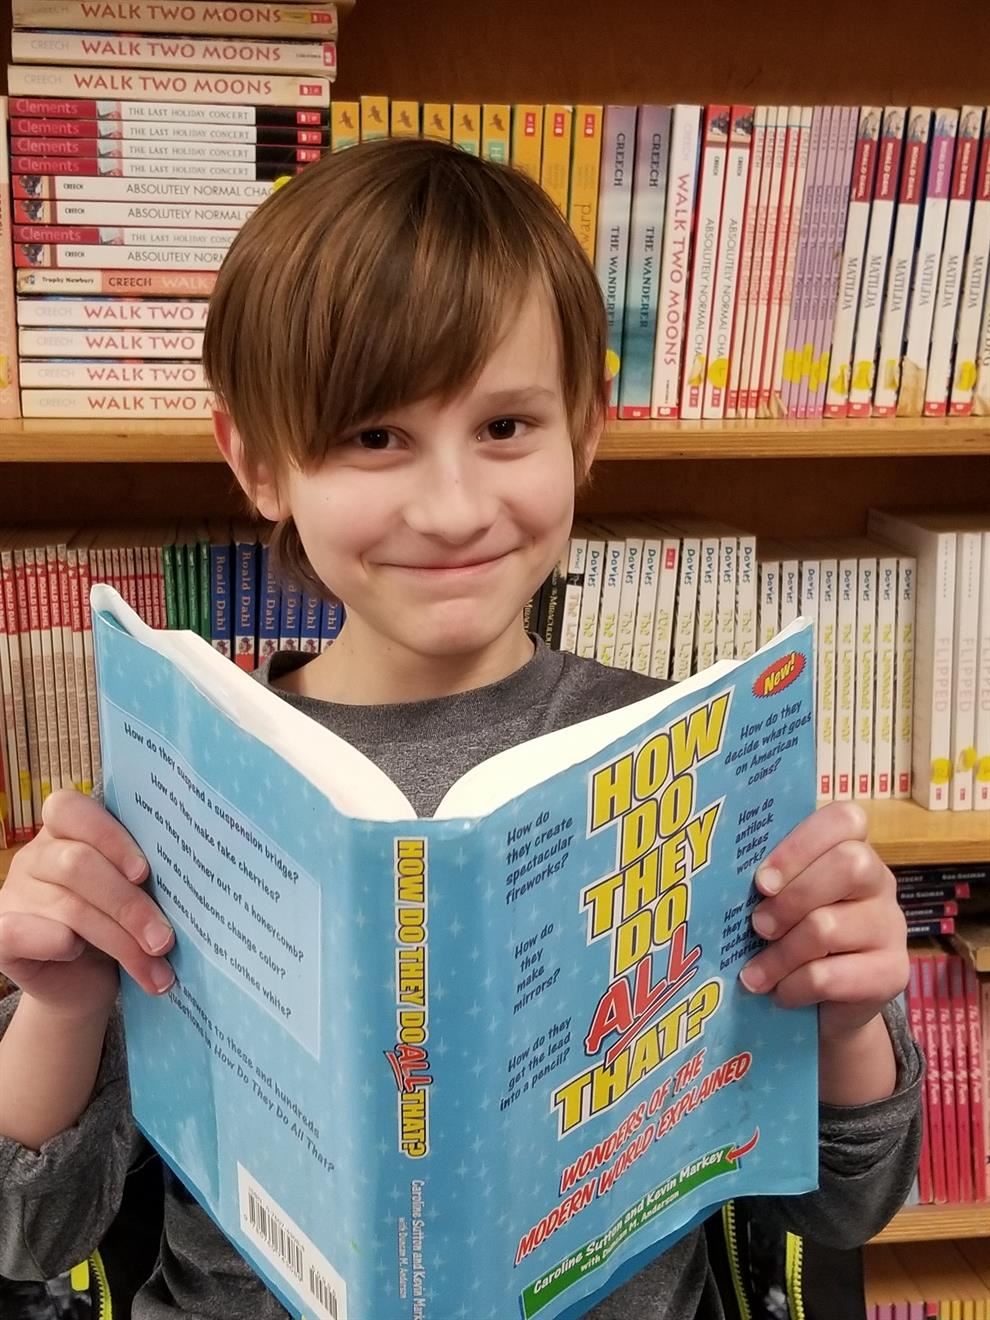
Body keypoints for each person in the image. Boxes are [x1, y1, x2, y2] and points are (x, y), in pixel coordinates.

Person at [0, 138, 921, 1320]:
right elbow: (32, 1236)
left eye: (506, 428)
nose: (450, 509)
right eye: (374, 437)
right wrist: (64, 1007)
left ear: (587, 426)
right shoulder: (189, 776)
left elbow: (845, 1211)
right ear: (258, 462)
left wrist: (846, 1019)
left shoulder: (693, 756)